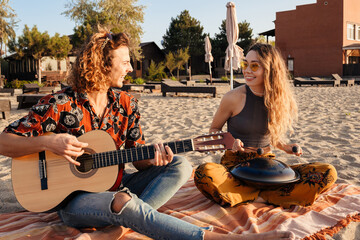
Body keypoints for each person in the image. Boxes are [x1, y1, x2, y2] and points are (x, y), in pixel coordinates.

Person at [0, 30, 295, 240]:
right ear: (103, 64)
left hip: (117, 183)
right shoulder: (60, 104)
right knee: (121, 203)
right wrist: (49, 141)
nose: (130, 68)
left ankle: (116, 230)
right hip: (73, 201)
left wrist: (155, 159)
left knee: (179, 165)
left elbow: (138, 158)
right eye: (125, 61)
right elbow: (4, 141)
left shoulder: (126, 104)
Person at [194, 43, 337, 209]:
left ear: (270, 70)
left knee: (327, 172)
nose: (247, 70)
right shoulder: (232, 98)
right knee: (204, 172)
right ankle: (270, 197)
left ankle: (250, 196)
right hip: (234, 166)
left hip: (267, 165)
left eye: (254, 66)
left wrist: (286, 147)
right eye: (244, 64)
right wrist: (229, 142)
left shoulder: (278, 99)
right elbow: (214, 130)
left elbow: (270, 138)